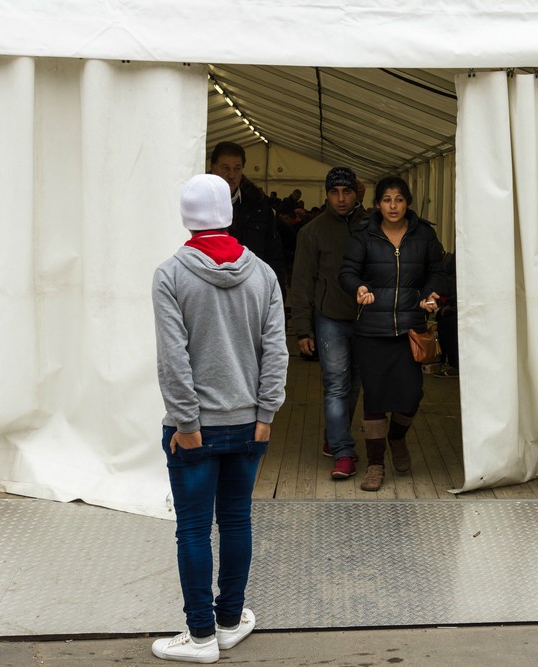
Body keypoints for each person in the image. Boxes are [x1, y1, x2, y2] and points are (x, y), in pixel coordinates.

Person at [151, 173, 288, 663]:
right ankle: (229, 622)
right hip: (249, 423)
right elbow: (276, 350)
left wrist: (187, 424)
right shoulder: (263, 274)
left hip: (195, 429)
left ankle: (201, 636)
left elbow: (174, 358)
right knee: (235, 521)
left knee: (192, 529)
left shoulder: (170, 275)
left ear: (186, 217)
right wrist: (266, 412)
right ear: (228, 214)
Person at [339, 176, 447, 492]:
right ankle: (375, 465)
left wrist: (430, 294)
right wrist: (358, 287)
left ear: (407, 202)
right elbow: (347, 271)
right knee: (374, 398)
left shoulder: (423, 234)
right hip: (372, 330)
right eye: (386, 199)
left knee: (411, 395)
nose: (393, 206)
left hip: (410, 327)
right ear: (377, 204)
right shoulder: (364, 234)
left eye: (399, 199)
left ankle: (397, 438)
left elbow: (438, 271)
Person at [291, 167, 367, 479]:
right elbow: (302, 282)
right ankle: (343, 451)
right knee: (336, 385)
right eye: (334, 192)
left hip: (365, 319)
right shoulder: (312, 232)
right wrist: (302, 329)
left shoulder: (370, 226)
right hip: (330, 319)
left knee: (355, 384)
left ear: (356, 193)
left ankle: (335, 436)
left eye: (346, 191)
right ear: (326, 194)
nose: (340, 198)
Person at [209, 142, 287, 299]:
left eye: (237, 169)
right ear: (213, 168)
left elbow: (274, 257)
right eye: (225, 168)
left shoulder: (259, 208)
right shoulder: (199, 206)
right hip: (211, 296)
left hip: (251, 296)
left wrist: (277, 299)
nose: (232, 175)